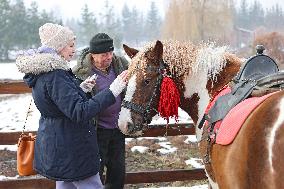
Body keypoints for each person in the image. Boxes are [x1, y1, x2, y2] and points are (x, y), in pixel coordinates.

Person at [15, 23, 128, 189]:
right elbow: (80, 112)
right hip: (71, 147)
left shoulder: (47, 72)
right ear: (59, 47)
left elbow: (56, 103)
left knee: (66, 185)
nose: (74, 50)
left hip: (60, 144)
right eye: (70, 45)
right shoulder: (55, 75)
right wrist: (113, 91)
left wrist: (80, 89)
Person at [73, 33, 128, 189]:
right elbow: (75, 101)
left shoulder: (121, 65)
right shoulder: (79, 72)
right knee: (95, 173)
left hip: (117, 129)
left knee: (117, 172)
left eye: (110, 53)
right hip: (95, 131)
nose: (109, 57)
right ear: (93, 55)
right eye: (104, 54)